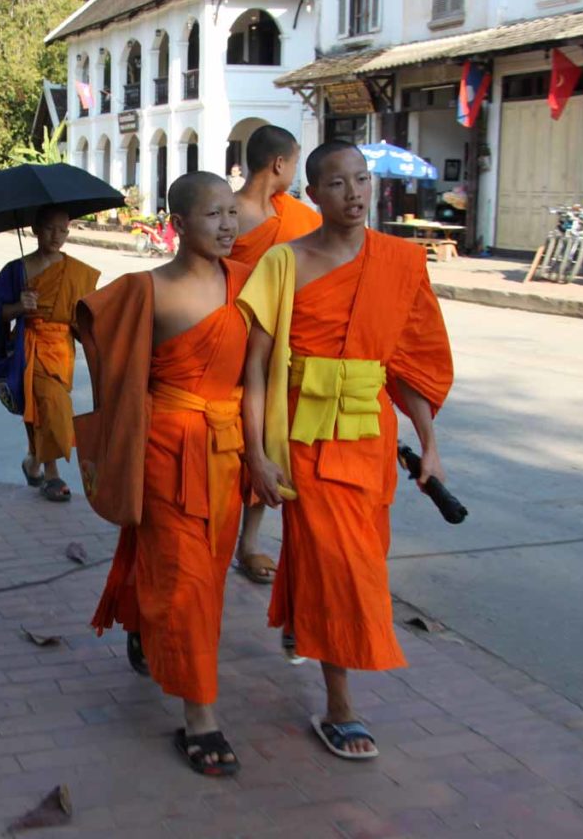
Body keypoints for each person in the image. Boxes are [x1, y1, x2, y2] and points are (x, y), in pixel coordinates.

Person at [238, 141, 453, 760]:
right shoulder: (284, 263)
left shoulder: (401, 262)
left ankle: (305, 625)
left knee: (352, 559)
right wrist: (256, 453)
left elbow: (408, 366)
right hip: (305, 441)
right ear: (313, 194)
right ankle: (340, 707)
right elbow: (254, 370)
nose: (355, 193)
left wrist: (429, 445)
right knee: (343, 570)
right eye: (338, 184)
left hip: (370, 440)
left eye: (362, 180)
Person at [79, 172, 249, 776]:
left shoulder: (248, 285)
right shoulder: (144, 291)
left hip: (226, 455)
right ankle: (201, 718)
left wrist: (261, 453)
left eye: (232, 212)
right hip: (164, 452)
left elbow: (256, 382)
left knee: (207, 578)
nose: (228, 224)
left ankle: (144, 625)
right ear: (178, 224)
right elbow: (107, 353)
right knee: (187, 583)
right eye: (213, 215)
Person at [231, 125, 323, 590]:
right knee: (227, 445)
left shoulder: (295, 217)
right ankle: (214, 536)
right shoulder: (224, 212)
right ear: (280, 165)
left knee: (266, 441)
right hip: (225, 339)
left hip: (273, 342)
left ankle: (249, 541)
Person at [0, 206, 100, 501]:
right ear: (34, 230)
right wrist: (18, 307)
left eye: (63, 229)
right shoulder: (18, 269)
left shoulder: (77, 271)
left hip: (61, 349)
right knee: (52, 408)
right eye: (50, 229)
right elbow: (2, 312)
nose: (56, 236)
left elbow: (83, 317)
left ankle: (33, 462)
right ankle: (52, 474)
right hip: (29, 345)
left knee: (42, 408)